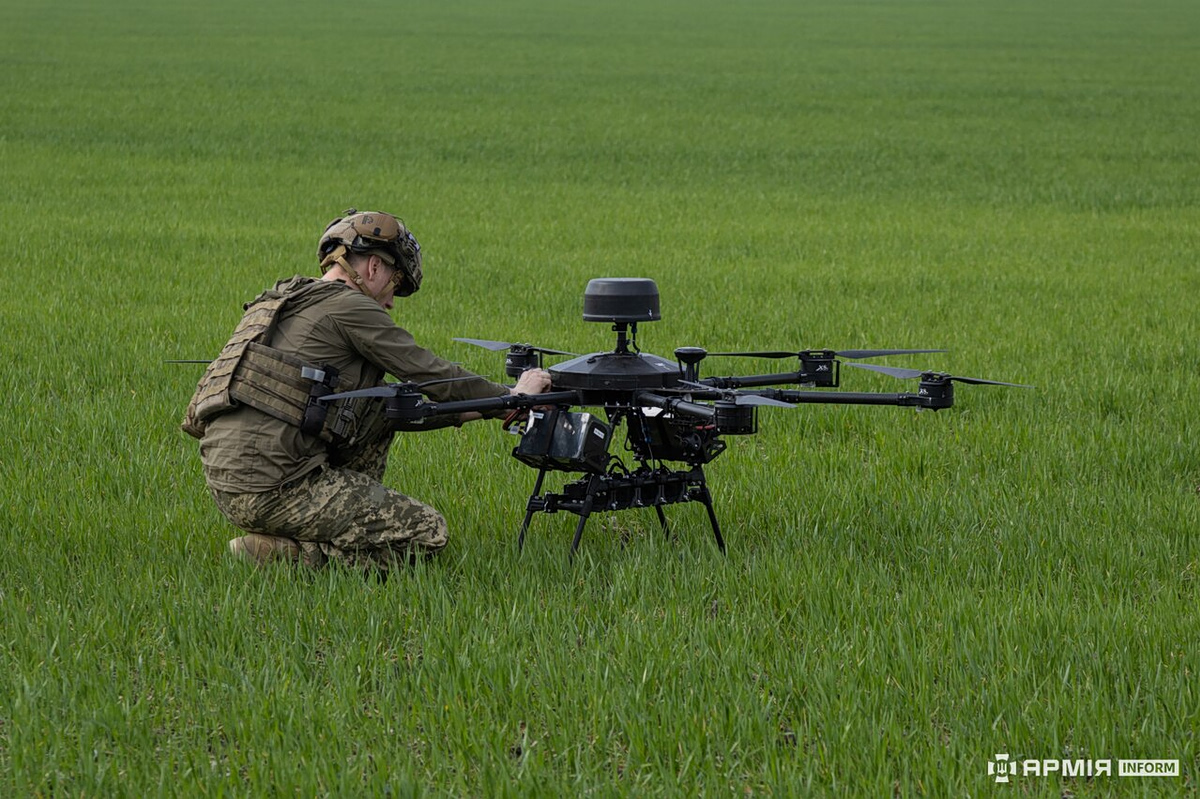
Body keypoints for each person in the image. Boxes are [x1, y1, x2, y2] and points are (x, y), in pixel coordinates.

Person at [182, 209, 551, 572]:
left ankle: (322, 527)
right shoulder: (350, 307)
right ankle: (291, 554)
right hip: (278, 489)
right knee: (426, 532)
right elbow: (430, 372)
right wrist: (515, 398)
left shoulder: (283, 301)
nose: (390, 302)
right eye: (395, 285)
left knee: (377, 410)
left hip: (228, 485)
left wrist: (480, 408)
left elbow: (385, 406)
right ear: (374, 267)